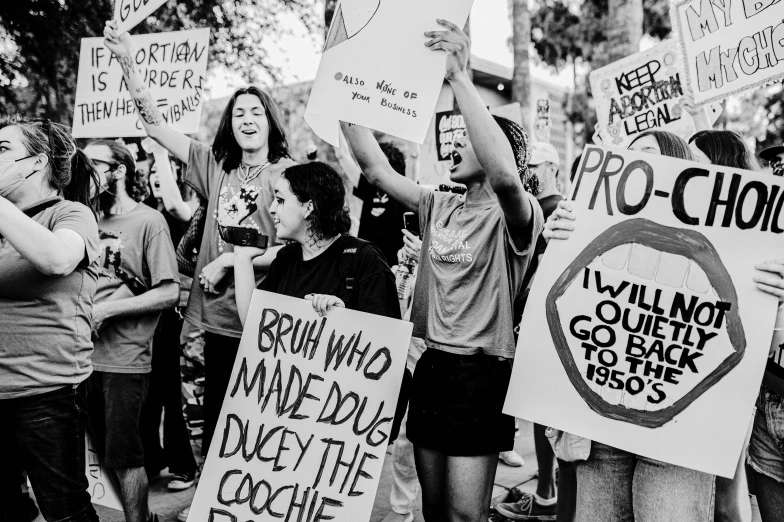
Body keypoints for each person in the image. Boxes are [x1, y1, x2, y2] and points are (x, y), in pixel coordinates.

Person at [344, 20, 543, 522]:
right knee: (436, 515)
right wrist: (344, 93)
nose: (453, 145)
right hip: (431, 369)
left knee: (465, 516)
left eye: (467, 138)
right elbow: (376, 171)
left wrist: (459, 77)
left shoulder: (516, 216)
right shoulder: (439, 205)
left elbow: (505, 176)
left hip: (481, 374)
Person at [102, 20, 296, 473]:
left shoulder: (287, 174)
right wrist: (127, 58)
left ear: (270, 121)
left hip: (267, 313)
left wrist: (230, 259)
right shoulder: (214, 164)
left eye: (256, 112)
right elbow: (153, 125)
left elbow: (294, 250)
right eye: (239, 113)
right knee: (220, 419)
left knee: (263, 420)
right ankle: (216, 499)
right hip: (220, 318)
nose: (248, 120)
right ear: (229, 123)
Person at [543, 129, 725, 522]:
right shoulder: (589, 226)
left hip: (676, 438)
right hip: (603, 429)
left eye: (650, 156)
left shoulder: (719, 242)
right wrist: (554, 246)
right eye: (630, 157)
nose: (638, 167)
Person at [0, 117, 101, 522]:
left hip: (45, 393)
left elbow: (57, 259)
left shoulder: (71, 214)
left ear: (35, 163)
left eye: (2, 149)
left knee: (65, 511)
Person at [84, 139, 180, 522]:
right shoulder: (83, 218)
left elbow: (170, 291)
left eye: (93, 163)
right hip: (79, 359)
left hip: (125, 359)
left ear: (119, 170)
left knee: (125, 457)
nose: (84, 170)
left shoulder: (149, 221)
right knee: (100, 456)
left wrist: (108, 309)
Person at [496, 150, 573, 522]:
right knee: (541, 417)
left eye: (537, 165)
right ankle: (547, 492)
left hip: (542, 327)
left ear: (553, 168)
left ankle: (548, 493)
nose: (529, 171)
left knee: (548, 418)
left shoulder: (559, 209)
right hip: (529, 323)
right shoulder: (528, 209)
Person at [688, 129, 760, 522]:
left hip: (728, 377)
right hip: (684, 369)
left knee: (726, 496)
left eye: (696, 162)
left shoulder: (755, 234)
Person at [139, 141, 199, 490]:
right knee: (146, 392)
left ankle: (183, 465)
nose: (156, 181)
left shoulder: (187, 214)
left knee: (173, 391)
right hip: (144, 313)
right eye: (151, 176)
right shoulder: (143, 213)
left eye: (162, 175)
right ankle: (150, 459)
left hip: (176, 312)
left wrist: (159, 152)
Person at [354, 141, 408, 265]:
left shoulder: (403, 192)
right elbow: (342, 156)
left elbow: (415, 155)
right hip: (365, 267)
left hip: (393, 269)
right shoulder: (368, 187)